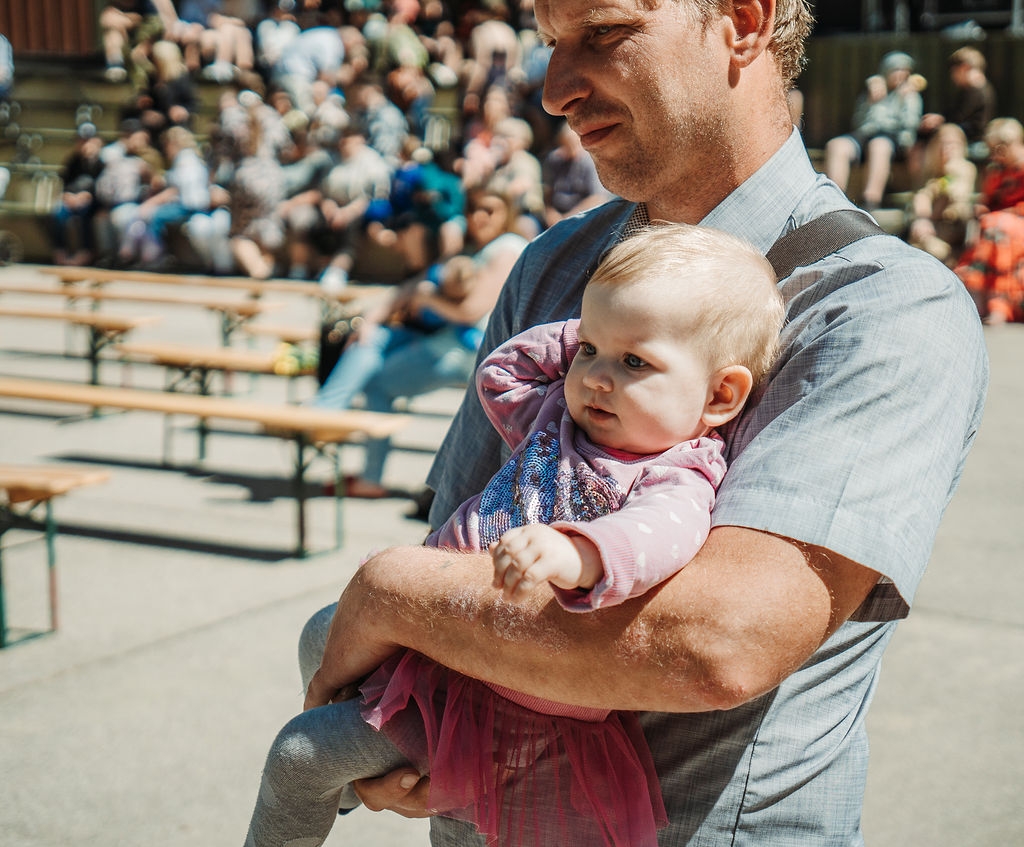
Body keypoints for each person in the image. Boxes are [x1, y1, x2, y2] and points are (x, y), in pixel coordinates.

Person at [296, 2, 987, 845]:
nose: (553, 90)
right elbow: (467, 542)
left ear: (742, 19)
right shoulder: (556, 264)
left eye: (604, 33)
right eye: (551, 44)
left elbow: (720, 642)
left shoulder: (875, 305)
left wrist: (390, 594)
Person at [246, 222, 786, 847]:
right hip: (444, 637)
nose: (597, 377)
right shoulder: (559, 414)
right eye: (589, 352)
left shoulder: (678, 473)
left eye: (634, 361)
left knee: (299, 754)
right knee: (321, 631)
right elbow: (500, 373)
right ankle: (342, 786)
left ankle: (329, 781)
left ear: (721, 394)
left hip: (500, 697)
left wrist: (576, 551)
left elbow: (658, 538)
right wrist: (591, 335)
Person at [311, 185, 527, 498]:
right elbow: (415, 285)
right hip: (449, 341)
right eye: (474, 209)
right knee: (376, 338)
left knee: (377, 384)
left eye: (490, 210)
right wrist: (373, 318)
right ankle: (330, 411)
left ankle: (334, 425)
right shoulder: (477, 248)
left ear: (507, 213)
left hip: (465, 350)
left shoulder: (506, 248)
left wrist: (429, 300)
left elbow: (469, 312)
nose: (480, 217)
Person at [824, 50, 923, 211]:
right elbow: (858, 122)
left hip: (891, 138)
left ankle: (870, 201)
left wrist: (902, 99)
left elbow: (910, 125)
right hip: (865, 134)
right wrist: (871, 102)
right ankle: (834, 201)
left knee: (878, 146)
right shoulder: (874, 89)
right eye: (895, 70)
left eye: (903, 70)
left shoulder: (910, 95)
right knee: (836, 145)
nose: (899, 74)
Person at [954, 117, 1024, 323]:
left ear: (1013, 143)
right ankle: (986, 300)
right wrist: (983, 209)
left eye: (999, 149)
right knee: (992, 227)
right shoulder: (996, 171)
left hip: (1017, 223)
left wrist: (1003, 214)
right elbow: (990, 201)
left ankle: (993, 303)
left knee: (996, 228)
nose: (995, 155)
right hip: (999, 224)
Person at [907, 122, 977, 266]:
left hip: (954, 232)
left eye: (952, 144)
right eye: (943, 144)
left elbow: (958, 192)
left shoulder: (965, 169)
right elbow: (923, 196)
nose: (947, 150)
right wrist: (922, 219)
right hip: (931, 229)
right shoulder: (932, 175)